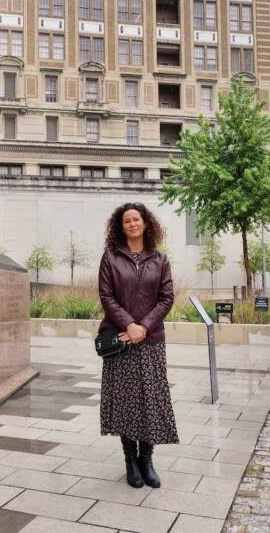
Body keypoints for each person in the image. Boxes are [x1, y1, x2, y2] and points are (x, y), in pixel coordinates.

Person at [97, 203, 178, 488]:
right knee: (125, 403)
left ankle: (147, 460)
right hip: (120, 340)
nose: (132, 224)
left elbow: (167, 298)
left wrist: (143, 326)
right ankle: (130, 461)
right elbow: (106, 296)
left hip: (151, 340)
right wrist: (129, 325)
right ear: (120, 227)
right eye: (126, 221)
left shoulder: (160, 259)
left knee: (150, 402)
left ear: (146, 224)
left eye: (136, 219)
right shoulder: (110, 257)